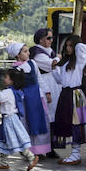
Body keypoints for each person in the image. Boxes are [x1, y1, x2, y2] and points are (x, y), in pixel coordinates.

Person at [0, 70, 39, 171]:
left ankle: (31, 157)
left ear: (12, 81)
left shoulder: (8, 92)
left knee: (16, 140)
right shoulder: (15, 91)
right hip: (10, 119)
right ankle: (3, 162)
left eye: (7, 77)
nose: (5, 79)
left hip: (9, 120)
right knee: (5, 139)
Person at [7, 42, 52, 157]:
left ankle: (41, 150)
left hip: (37, 97)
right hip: (25, 100)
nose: (28, 53)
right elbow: (13, 87)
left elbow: (39, 79)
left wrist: (46, 92)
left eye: (28, 51)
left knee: (40, 121)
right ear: (18, 54)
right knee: (26, 123)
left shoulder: (33, 63)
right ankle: (29, 149)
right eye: (25, 51)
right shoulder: (15, 69)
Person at [51, 34, 86, 165]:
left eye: (71, 46)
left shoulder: (79, 61)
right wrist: (55, 68)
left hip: (75, 94)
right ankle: (73, 153)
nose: (68, 48)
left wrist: (77, 42)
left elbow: (82, 49)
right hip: (65, 94)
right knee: (67, 122)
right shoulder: (65, 62)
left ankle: (75, 154)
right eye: (66, 45)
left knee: (75, 124)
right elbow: (59, 80)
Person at [29, 28, 61, 158]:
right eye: (48, 38)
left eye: (52, 38)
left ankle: (50, 147)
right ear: (41, 39)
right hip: (44, 86)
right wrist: (59, 58)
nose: (51, 40)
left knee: (52, 119)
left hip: (54, 84)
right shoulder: (37, 53)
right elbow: (51, 64)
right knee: (44, 118)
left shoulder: (49, 51)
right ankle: (38, 148)